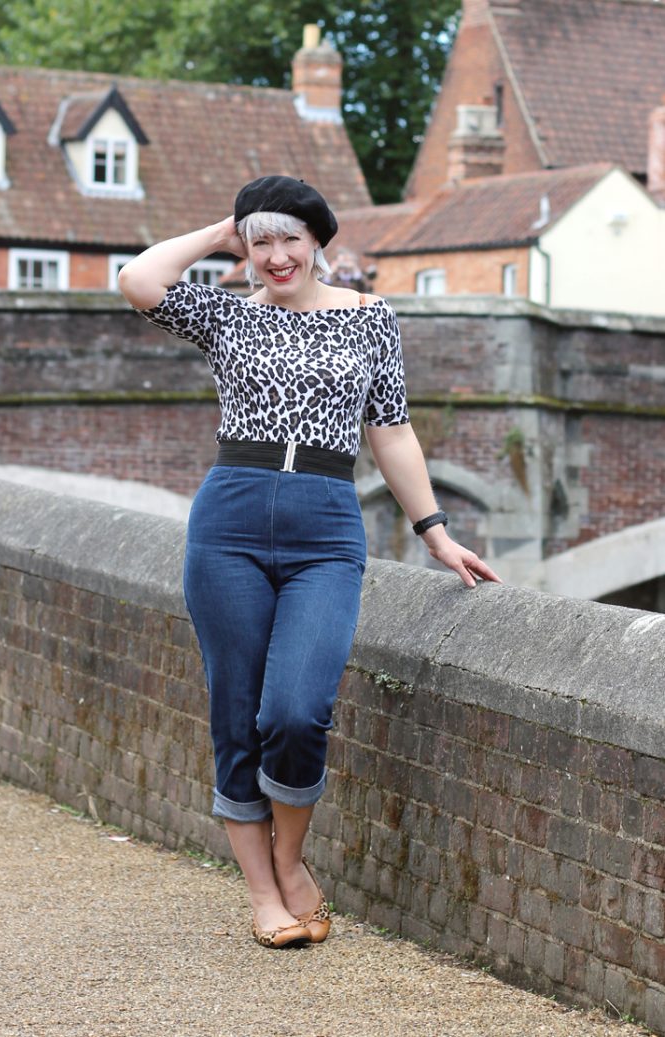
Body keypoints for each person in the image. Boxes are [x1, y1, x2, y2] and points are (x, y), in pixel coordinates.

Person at [119, 175, 502, 951]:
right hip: (228, 518)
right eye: (260, 241)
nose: (276, 255)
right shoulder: (226, 314)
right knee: (236, 709)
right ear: (244, 248)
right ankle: (264, 893)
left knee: (295, 709)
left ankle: (289, 864)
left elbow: (391, 432)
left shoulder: (370, 319)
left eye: (289, 237)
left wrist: (433, 530)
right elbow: (138, 280)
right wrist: (219, 232)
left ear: (318, 241)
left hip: (326, 524)